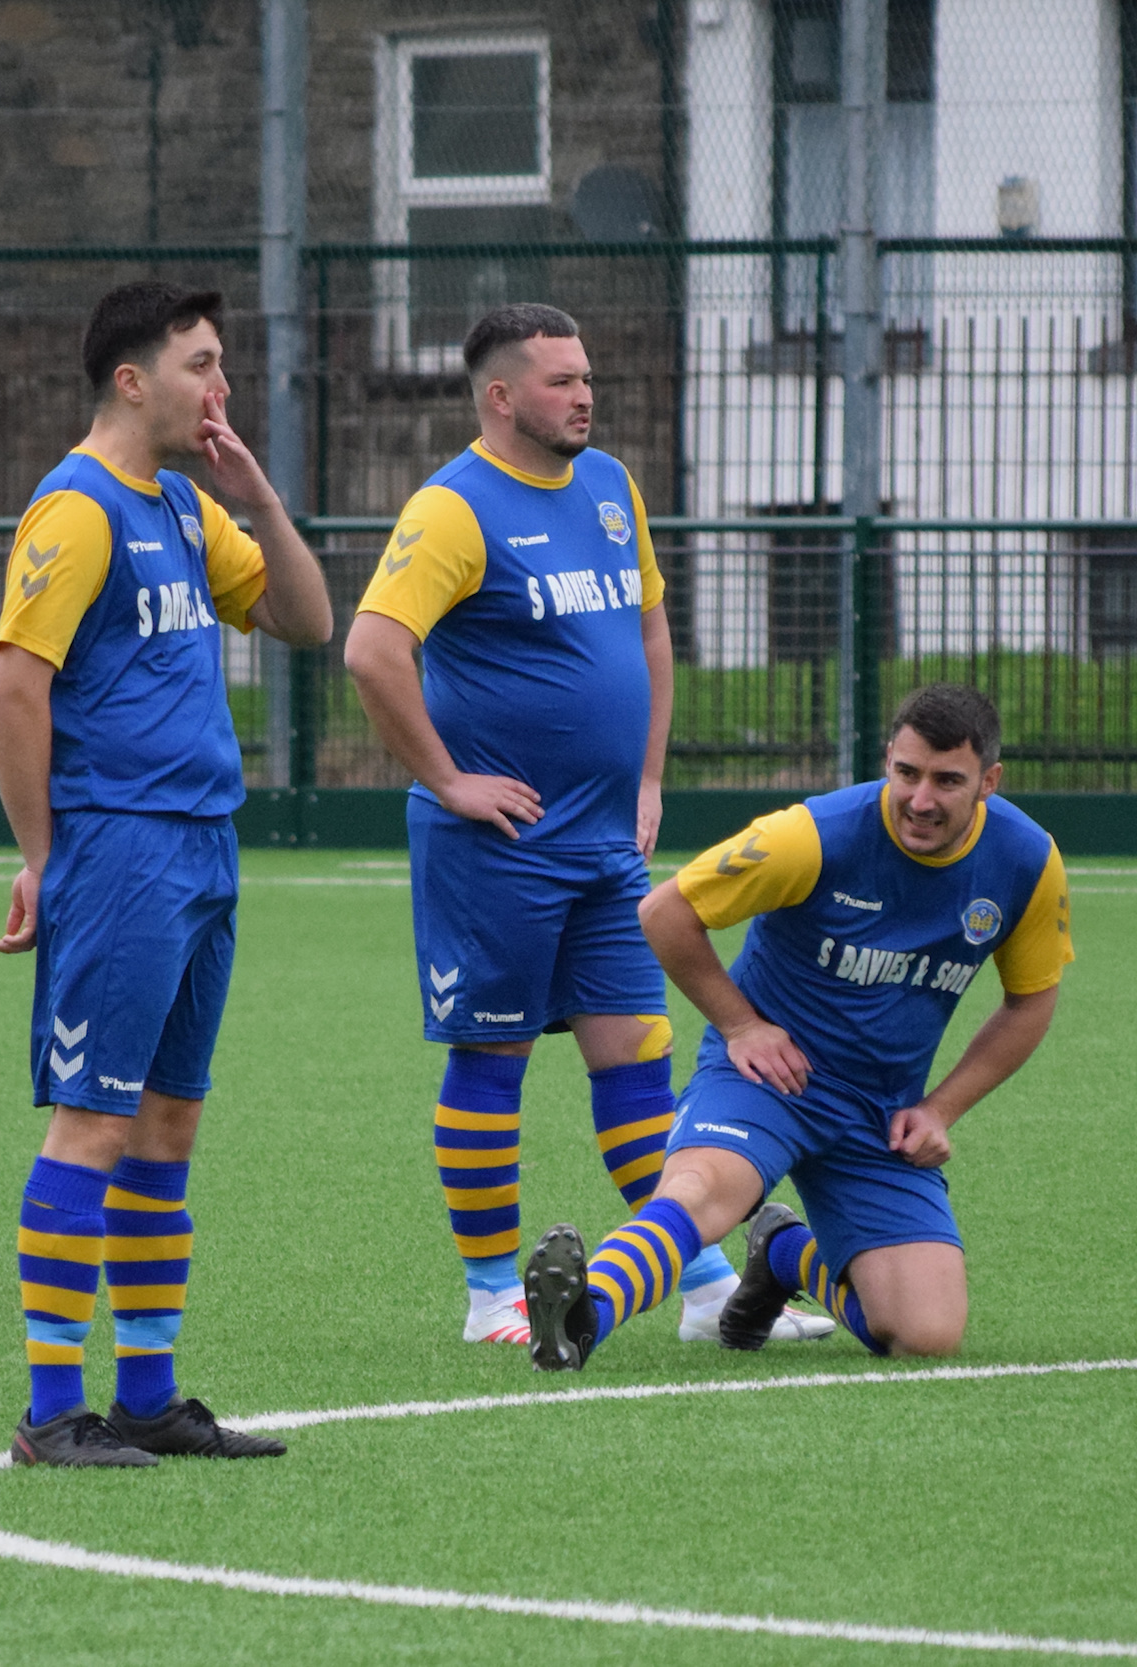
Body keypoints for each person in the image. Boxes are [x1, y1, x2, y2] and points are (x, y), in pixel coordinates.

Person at [344, 302, 831, 1351]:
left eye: (587, 376)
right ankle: (490, 1296)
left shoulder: (610, 485)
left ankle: (704, 1288)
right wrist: (450, 780)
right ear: (500, 395)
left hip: (608, 842)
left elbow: (650, 630)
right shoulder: (452, 508)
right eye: (560, 380)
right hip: (501, 846)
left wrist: (648, 773)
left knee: (637, 1056)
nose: (584, 395)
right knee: (493, 1059)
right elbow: (372, 651)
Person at [0, 281, 332, 1465]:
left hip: (203, 843)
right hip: (122, 849)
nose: (220, 386)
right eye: (200, 364)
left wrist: (260, 499)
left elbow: (306, 620)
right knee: (92, 1122)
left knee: (166, 1123)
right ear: (131, 382)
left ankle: (146, 1396)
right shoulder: (78, 507)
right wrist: (46, 858)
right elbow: (12, 689)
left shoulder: (184, 507)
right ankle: (50, 1413)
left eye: (221, 363)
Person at [520, 683, 1072, 1372]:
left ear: (989, 781)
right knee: (701, 1191)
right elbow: (664, 912)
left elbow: (1030, 1001)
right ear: (887, 760)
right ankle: (584, 1316)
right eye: (906, 773)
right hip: (766, 1081)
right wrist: (741, 1026)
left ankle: (784, 1252)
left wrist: (940, 1109)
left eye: (947, 781)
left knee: (925, 1334)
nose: (920, 799)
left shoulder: (1026, 860)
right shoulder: (811, 835)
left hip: (880, 1111)